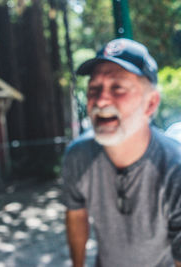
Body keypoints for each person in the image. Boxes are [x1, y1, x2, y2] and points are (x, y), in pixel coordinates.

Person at [62, 38, 181, 267]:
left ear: (151, 104)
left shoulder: (175, 168)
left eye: (118, 88)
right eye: (94, 88)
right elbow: (76, 214)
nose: (101, 99)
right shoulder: (78, 156)